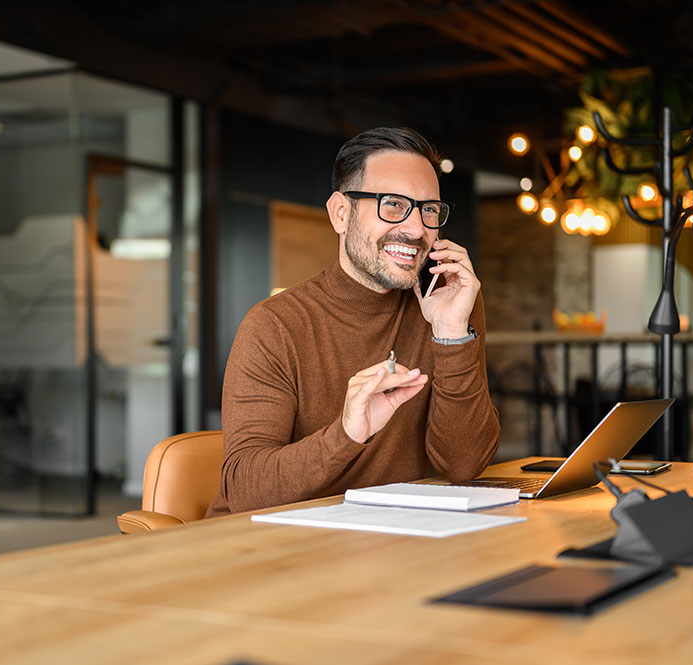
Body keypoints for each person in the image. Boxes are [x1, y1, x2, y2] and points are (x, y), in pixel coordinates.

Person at [206, 127, 500, 517]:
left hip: (384, 539)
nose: (416, 229)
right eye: (393, 204)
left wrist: (450, 336)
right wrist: (346, 434)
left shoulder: (447, 307)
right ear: (341, 213)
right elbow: (244, 490)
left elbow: (464, 466)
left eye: (429, 210)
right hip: (267, 548)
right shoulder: (273, 326)